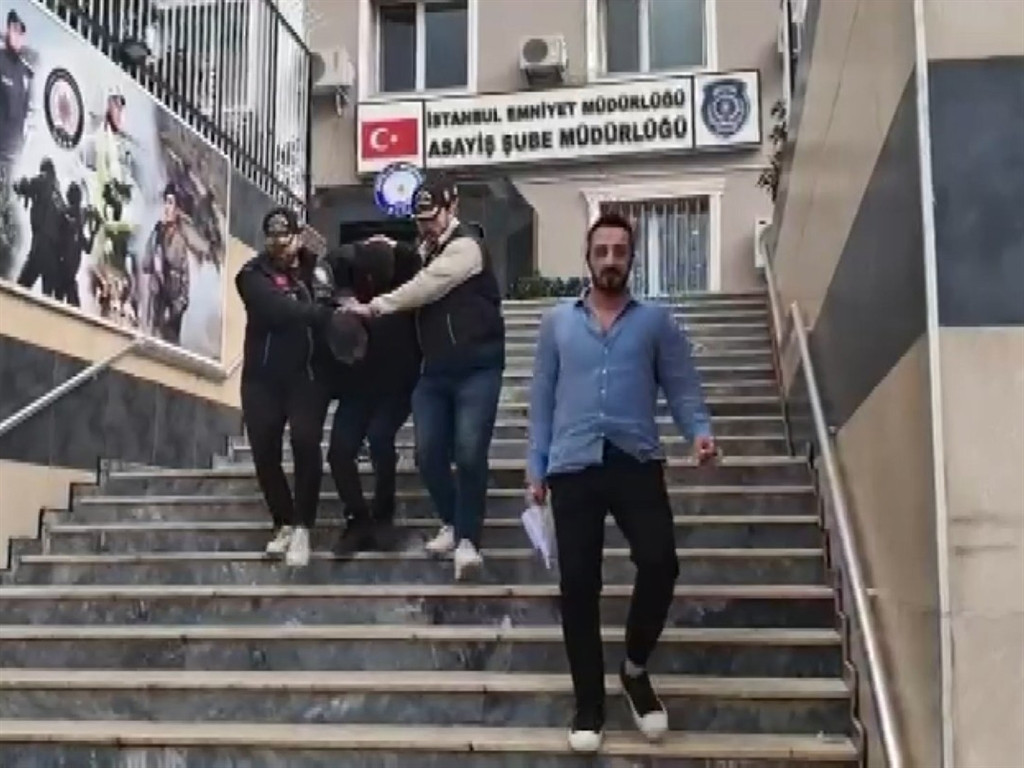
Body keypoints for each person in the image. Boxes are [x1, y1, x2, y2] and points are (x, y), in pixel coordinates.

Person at [526, 211, 718, 753]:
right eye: (601, 250)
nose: (610, 259)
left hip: (636, 460)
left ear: (632, 258)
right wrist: (536, 466)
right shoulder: (557, 323)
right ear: (588, 258)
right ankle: (589, 701)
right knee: (578, 585)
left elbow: (682, 387)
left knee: (660, 562)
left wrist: (699, 432)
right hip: (572, 465)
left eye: (619, 251)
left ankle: (634, 669)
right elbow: (541, 398)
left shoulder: (656, 322)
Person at [347, 175, 505, 581]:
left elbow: (427, 285)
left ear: (452, 208)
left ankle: (467, 541)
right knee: (427, 453)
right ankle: (452, 522)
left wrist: (377, 306)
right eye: (419, 220)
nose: (426, 226)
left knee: (468, 452)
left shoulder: (467, 247)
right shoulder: (427, 247)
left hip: (478, 367)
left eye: (432, 218)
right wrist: (390, 244)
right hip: (435, 370)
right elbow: (417, 259)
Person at [235, 207, 339, 567]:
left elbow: (330, 303)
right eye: (272, 240)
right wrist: (317, 311)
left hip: (307, 376)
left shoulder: (319, 268)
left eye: (285, 240)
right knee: (264, 451)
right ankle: (283, 521)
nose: (279, 247)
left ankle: (303, 527)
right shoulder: (251, 274)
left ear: (298, 237)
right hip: (261, 378)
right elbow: (275, 310)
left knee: (305, 442)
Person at [328, 239, 421, 554]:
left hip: (397, 386)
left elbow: (416, 257)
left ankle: (383, 515)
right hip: (358, 387)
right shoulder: (352, 286)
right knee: (339, 451)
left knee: (380, 438)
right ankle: (358, 519)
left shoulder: (406, 287)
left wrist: (394, 244)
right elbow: (333, 259)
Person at [0, 9, 31, 279]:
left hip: (13, 161)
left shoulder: (24, 73)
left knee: (12, 228)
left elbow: (23, 118)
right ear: (7, 29)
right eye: (14, 30)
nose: (18, 36)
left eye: (22, 32)